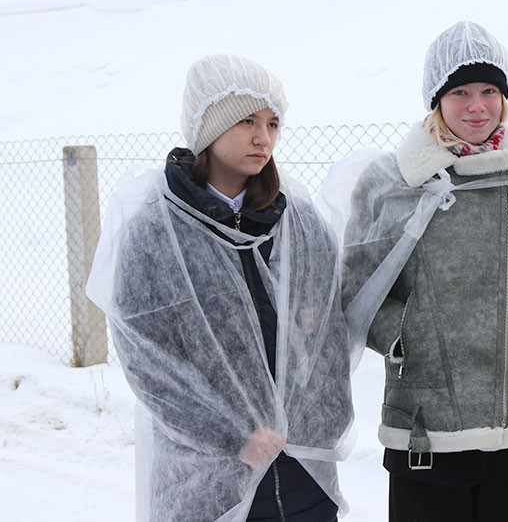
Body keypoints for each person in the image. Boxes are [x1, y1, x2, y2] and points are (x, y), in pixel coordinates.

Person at [328, 21, 508, 522]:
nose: (476, 106)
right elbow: (357, 287)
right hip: (423, 427)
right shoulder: (392, 181)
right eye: (460, 92)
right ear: (436, 99)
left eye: (489, 91)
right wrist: (407, 334)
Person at [87, 54, 353, 522]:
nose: (263, 137)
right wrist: (234, 437)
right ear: (207, 127)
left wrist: (322, 427)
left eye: (272, 123)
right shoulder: (157, 230)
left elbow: (329, 337)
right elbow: (149, 362)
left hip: (304, 479)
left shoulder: (300, 222)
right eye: (247, 121)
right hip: (209, 486)